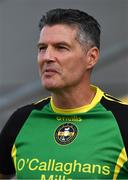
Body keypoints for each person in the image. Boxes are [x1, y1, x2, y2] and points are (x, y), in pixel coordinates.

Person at [0, 8, 128, 180]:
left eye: (61, 47)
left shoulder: (123, 121)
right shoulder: (22, 119)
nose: (47, 57)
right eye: (42, 48)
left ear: (91, 57)